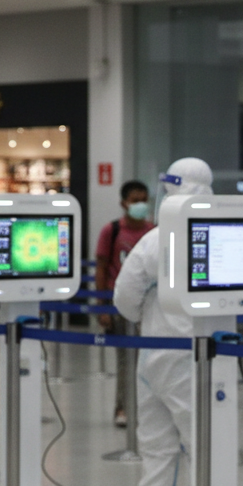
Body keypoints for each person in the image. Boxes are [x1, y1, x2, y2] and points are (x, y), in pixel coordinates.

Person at [103, 158, 212, 486]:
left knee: (160, 440)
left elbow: (125, 296)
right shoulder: (223, 228)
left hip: (157, 351)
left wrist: (144, 318)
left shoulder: (157, 238)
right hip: (201, 353)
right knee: (199, 438)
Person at [95, 180, 154, 427]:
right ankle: (122, 407)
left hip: (149, 306)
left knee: (150, 360)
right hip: (119, 304)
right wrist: (102, 306)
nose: (140, 205)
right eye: (135, 200)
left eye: (144, 200)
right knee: (125, 361)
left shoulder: (154, 231)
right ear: (123, 203)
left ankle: (146, 409)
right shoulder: (112, 231)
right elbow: (101, 267)